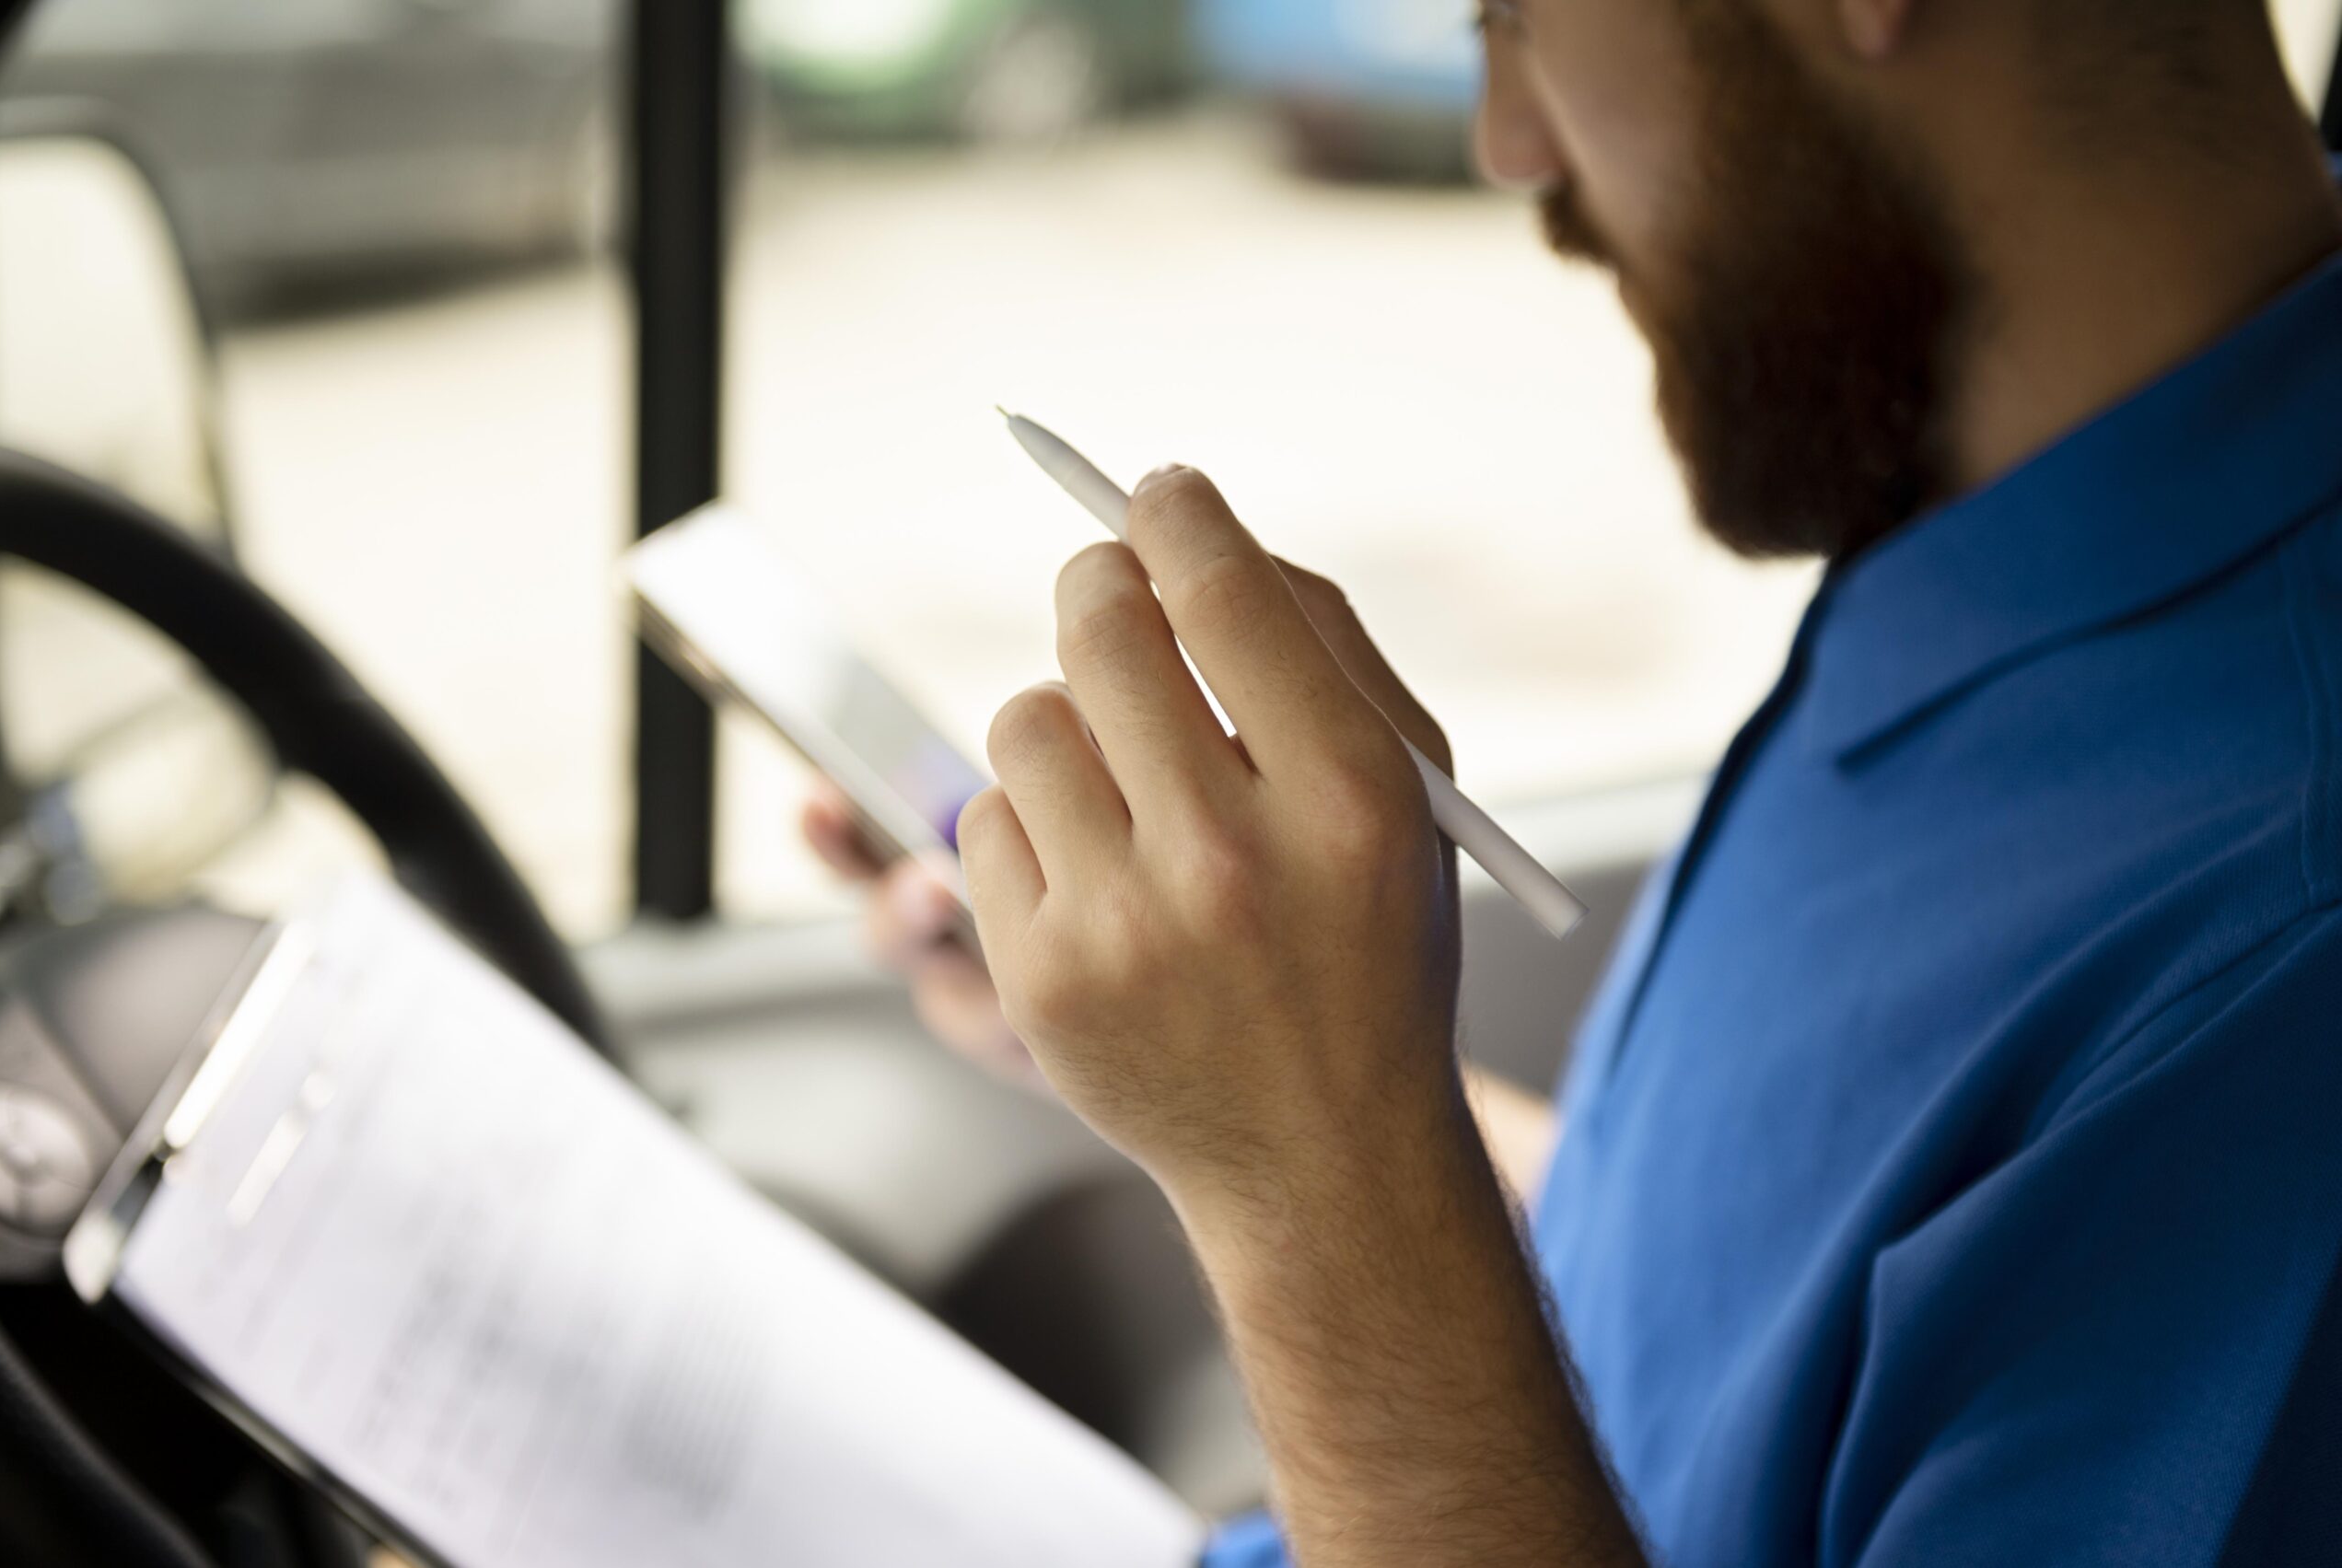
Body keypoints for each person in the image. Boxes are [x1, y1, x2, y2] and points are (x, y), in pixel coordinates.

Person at [807, 2, 2342, 1563]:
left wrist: (1311, 1184)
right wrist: (1254, 1055)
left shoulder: (2281, 964)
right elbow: (1717, 1294)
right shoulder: (1993, 551)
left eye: (1514, 21)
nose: (1504, 144)